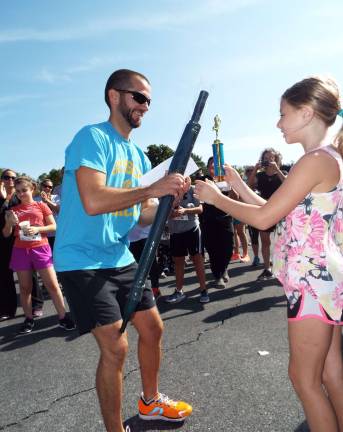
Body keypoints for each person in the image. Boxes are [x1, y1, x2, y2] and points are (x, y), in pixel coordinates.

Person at [194, 76, 343, 431]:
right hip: (323, 278)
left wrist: (217, 198)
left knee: (305, 380)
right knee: (331, 373)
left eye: (283, 113)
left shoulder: (314, 161)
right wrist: (238, 185)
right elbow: (277, 210)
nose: (278, 123)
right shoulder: (325, 158)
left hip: (311, 283)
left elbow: (264, 217)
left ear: (306, 113)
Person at [53, 69, 192, 432]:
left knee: (153, 329)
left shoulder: (140, 156)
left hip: (119, 255)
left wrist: (165, 207)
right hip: (81, 259)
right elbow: (94, 200)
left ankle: (150, 403)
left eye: (149, 101)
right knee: (116, 347)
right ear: (115, 96)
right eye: (139, 97)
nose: (145, 106)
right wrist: (151, 191)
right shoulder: (92, 137)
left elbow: (138, 217)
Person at [2, 176, 75, 334]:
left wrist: (37, 229)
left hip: (41, 248)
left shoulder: (41, 206)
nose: (21, 194)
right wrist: (9, 223)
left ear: (32, 189)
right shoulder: (12, 211)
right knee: (25, 287)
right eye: (18, 191)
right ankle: (28, 319)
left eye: (24, 190)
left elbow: (53, 226)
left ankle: (63, 317)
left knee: (53, 285)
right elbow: (6, 234)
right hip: (20, 250)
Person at [0, 169, 44, 320]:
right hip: (4, 239)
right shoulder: (2, 197)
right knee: (4, 276)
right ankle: (7, 309)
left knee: (30, 273)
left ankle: (36, 305)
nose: (10, 180)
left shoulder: (20, 195)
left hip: (22, 239)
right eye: (6, 177)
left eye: (13, 177)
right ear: (2, 180)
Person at [165, 178, 209, 304]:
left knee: (197, 259)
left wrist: (185, 211)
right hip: (175, 231)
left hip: (192, 229)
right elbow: (162, 211)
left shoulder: (193, 189)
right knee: (178, 261)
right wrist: (171, 213)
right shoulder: (167, 190)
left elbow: (200, 209)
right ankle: (179, 291)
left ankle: (203, 290)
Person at [248, 148, 286, 280]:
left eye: (271, 157)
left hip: (281, 212)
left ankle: (283, 267)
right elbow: (249, 186)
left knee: (282, 242)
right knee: (265, 242)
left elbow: (288, 184)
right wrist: (255, 170)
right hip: (265, 210)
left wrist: (277, 170)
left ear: (276, 159)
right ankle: (267, 268)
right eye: (266, 157)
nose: (269, 159)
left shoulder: (282, 173)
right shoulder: (260, 176)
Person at [200, 157, 234, 289]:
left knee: (227, 248)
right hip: (208, 219)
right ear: (208, 168)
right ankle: (218, 276)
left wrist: (231, 185)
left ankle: (224, 268)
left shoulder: (226, 179)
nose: (214, 168)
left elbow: (235, 198)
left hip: (225, 218)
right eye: (212, 166)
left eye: (217, 165)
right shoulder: (204, 180)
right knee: (213, 250)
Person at [128, 222, 161, 299]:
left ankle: (155, 288)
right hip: (131, 239)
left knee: (151, 264)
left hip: (147, 236)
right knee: (136, 267)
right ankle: (141, 290)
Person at [34, 178, 60, 250]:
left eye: (50, 187)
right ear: (41, 187)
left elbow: (59, 210)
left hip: (56, 233)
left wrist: (47, 201)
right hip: (42, 233)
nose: (47, 188)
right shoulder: (35, 199)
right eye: (45, 186)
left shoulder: (56, 197)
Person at [244, 166, 260, 266]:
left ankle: (269, 258)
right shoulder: (245, 186)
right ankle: (256, 257)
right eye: (249, 173)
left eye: (253, 173)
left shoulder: (261, 183)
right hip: (251, 216)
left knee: (265, 238)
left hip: (265, 214)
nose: (251, 175)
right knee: (254, 238)